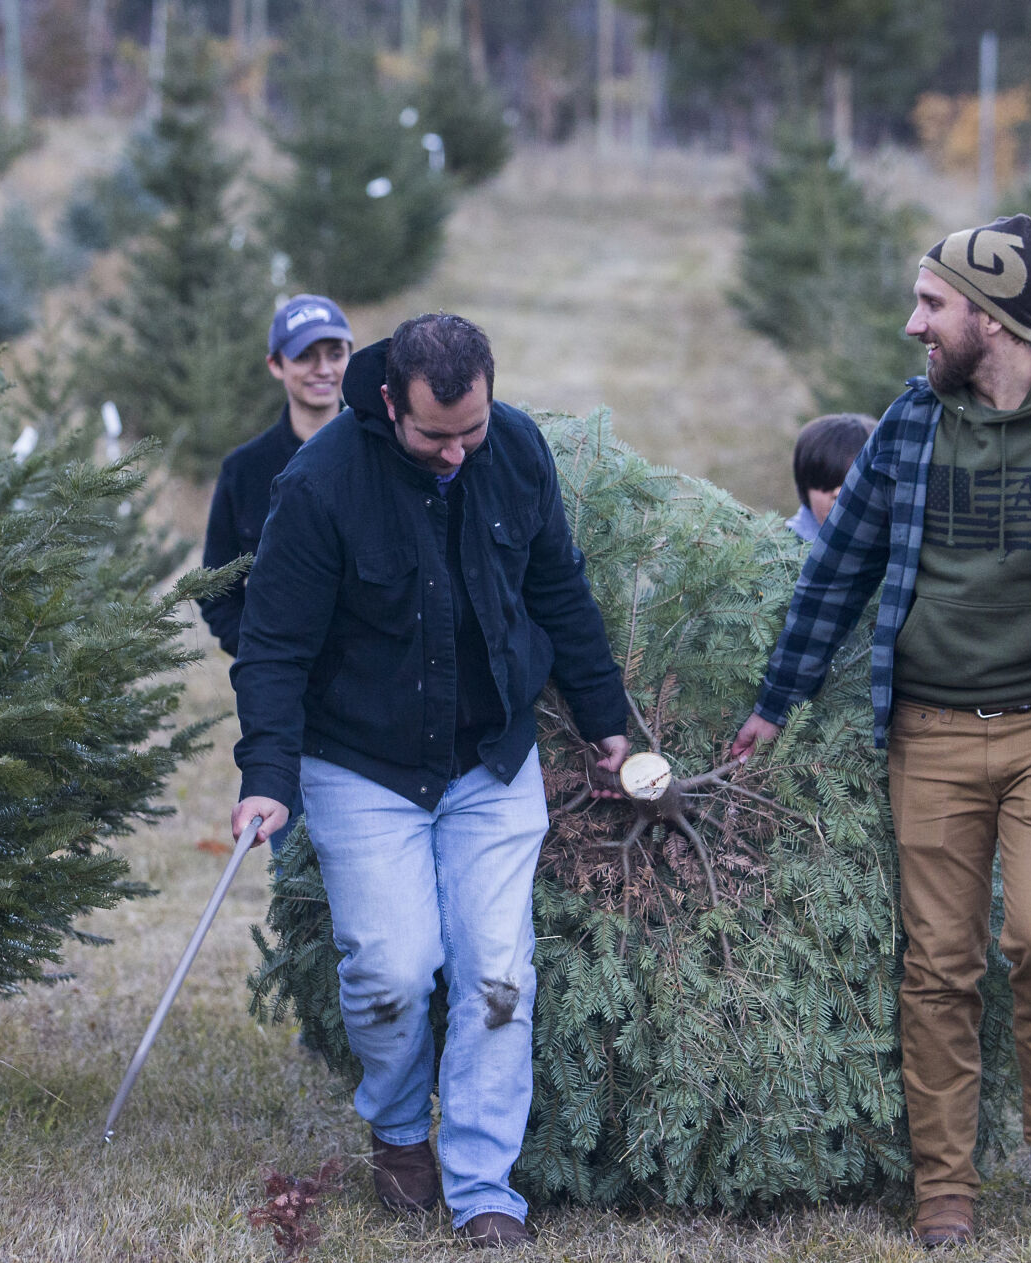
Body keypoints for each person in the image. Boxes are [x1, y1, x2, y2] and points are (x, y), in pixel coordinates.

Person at [731, 214, 1031, 1247]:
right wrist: (774, 703)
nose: (913, 326)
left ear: (989, 319)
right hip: (928, 738)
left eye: (931, 306)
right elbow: (837, 571)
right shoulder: (907, 428)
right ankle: (945, 1185)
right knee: (938, 964)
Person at [230, 313, 630, 1249]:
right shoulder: (321, 482)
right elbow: (274, 646)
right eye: (432, 434)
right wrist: (265, 773)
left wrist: (607, 722)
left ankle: (485, 1183)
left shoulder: (518, 449)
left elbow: (558, 590)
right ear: (387, 403)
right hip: (361, 765)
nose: (455, 452)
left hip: (490, 758)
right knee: (394, 969)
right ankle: (402, 1127)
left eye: (471, 430)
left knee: (498, 973)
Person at [200, 293, 354, 659]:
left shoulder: (382, 451)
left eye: (335, 354)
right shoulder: (244, 470)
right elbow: (216, 590)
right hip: (293, 691)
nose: (323, 370)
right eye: (304, 356)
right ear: (275, 364)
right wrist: (265, 658)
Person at [786, 412, 875, 542]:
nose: (838, 493)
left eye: (852, 484)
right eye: (826, 483)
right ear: (805, 488)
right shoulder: (782, 555)